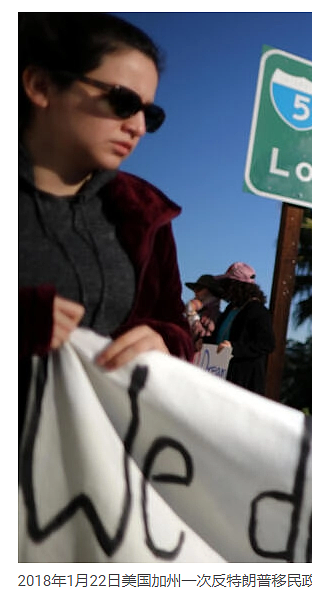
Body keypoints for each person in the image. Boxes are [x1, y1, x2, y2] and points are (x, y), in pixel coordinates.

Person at [19, 13, 192, 420]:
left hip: (92, 460)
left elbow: (175, 327)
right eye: (122, 101)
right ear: (41, 85)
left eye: (150, 114)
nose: (136, 127)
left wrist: (166, 343)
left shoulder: (145, 214)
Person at [210, 262, 275, 396]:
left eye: (227, 284)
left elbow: (267, 344)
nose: (224, 289)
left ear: (236, 286)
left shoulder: (257, 310)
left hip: (243, 382)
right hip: (220, 374)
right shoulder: (231, 309)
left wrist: (234, 348)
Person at [184, 274, 222, 346]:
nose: (195, 293)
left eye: (199, 289)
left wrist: (191, 313)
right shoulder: (195, 312)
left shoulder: (219, 317)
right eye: (194, 289)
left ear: (211, 292)